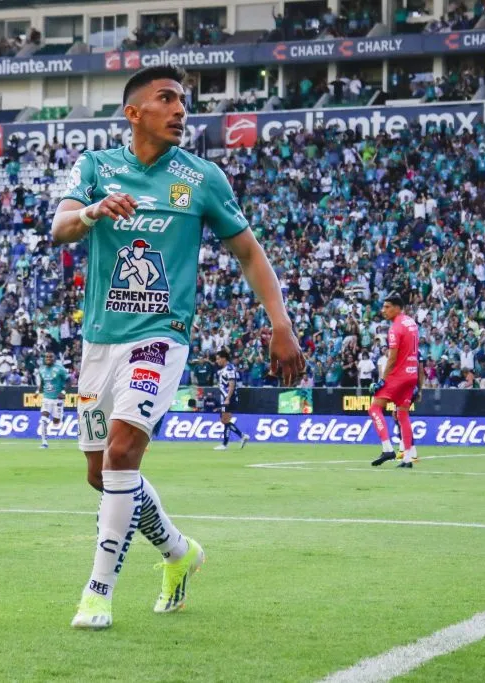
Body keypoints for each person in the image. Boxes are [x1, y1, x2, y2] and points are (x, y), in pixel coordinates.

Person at [52, 65, 305, 630]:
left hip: (161, 337)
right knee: (101, 474)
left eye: (183, 102)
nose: (180, 110)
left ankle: (97, 593)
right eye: (166, 99)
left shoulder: (201, 177)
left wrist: (280, 323)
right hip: (99, 343)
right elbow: (59, 226)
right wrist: (94, 210)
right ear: (134, 112)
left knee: (122, 454)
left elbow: (248, 251)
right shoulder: (95, 167)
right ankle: (178, 552)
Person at [369, 295, 423, 469]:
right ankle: (407, 458)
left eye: (387, 307)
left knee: (374, 408)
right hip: (411, 375)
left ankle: (387, 449)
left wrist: (382, 380)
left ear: (398, 308)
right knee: (402, 414)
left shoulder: (395, 328)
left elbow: (392, 358)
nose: (383, 310)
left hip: (398, 376)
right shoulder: (411, 323)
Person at [213, 349, 248, 451]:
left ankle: (229, 442)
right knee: (225, 420)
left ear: (224, 358)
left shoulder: (229, 369)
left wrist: (227, 398)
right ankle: (237, 438)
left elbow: (232, 384)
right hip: (225, 398)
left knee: (225, 420)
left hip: (229, 398)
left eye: (218, 359)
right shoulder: (225, 369)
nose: (217, 361)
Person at [36, 351, 68, 449]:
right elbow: (42, 382)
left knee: (56, 422)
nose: (48, 358)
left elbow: (69, 381)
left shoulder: (60, 369)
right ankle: (44, 443)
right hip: (46, 398)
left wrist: (63, 392)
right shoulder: (41, 369)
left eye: (50, 357)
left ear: (54, 358)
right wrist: (38, 391)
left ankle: (61, 417)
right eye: (46, 357)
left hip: (57, 399)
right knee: (43, 420)